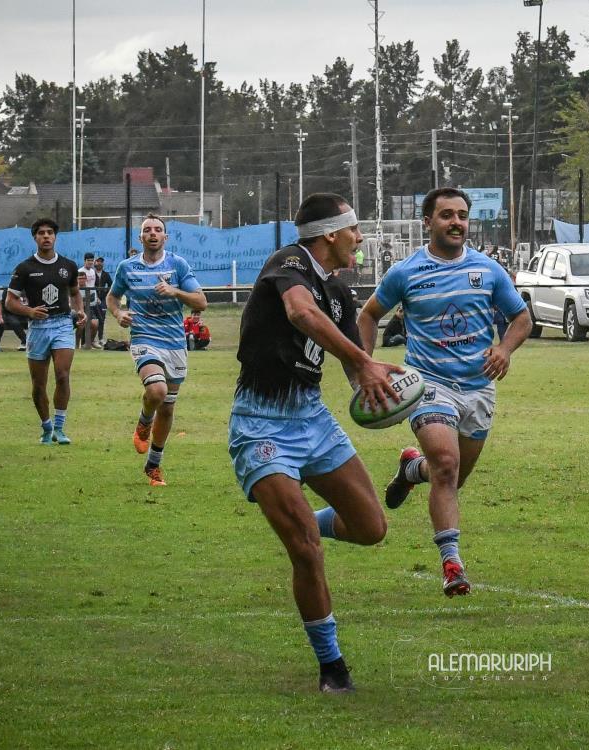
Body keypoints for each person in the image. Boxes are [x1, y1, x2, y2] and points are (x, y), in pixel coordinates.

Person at [227, 193, 402, 694]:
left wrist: (381, 384)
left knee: (370, 528)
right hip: (261, 424)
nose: (360, 238)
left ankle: (306, 520)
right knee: (306, 550)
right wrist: (362, 361)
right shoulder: (289, 262)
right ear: (329, 234)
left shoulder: (340, 292)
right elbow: (301, 313)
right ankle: (333, 667)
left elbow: (354, 368)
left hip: (313, 419)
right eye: (354, 229)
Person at [357, 187, 532, 597]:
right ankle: (452, 564)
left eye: (462, 216)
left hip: (479, 388)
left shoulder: (488, 270)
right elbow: (369, 315)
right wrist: (365, 367)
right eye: (447, 215)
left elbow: (521, 318)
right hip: (427, 384)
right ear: (428, 222)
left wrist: (505, 349)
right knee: (447, 464)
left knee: (452, 476)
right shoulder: (405, 273)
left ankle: (411, 470)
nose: (456, 223)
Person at [107, 214, 207, 486]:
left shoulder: (177, 265)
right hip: (144, 338)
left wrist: (175, 292)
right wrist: (118, 314)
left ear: (165, 237)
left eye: (158, 229)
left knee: (168, 409)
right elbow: (112, 297)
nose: (153, 233)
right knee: (157, 391)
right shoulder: (127, 267)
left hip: (174, 343)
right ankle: (144, 421)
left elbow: (201, 301)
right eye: (147, 230)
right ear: (140, 237)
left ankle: (153, 465)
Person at [4, 218, 86, 444]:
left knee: (62, 374)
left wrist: (79, 311)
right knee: (38, 384)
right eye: (41, 233)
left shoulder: (68, 266)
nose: (46, 236)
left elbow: (75, 293)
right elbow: (10, 301)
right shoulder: (24, 268)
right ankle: (46, 427)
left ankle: (60, 428)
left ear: (55, 237)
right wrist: (29, 311)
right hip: (38, 328)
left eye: (50, 232)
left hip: (62, 324)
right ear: (35, 238)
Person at [75, 269, 100, 348]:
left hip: (89, 309)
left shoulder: (91, 289)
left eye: (83, 278)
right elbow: (72, 303)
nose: (81, 280)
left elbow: (93, 302)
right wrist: (84, 301)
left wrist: (81, 301)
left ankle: (89, 343)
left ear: (86, 279)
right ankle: (76, 345)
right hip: (77, 310)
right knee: (81, 324)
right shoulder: (74, 289)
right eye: (79, 278)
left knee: (95, 323)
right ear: (76, 279)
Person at [93, 256, 113, 343]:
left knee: (102, 319)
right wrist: (95, 296)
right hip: (93, 299)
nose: (99, 263)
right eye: (98, 261)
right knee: (93, 319)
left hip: (103, 299)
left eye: (101, 262)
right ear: (95, 263)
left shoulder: (106, 274)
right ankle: (92, 339)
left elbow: (111, 285)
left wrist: (105, 293)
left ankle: (100, 338)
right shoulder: (91, 274)